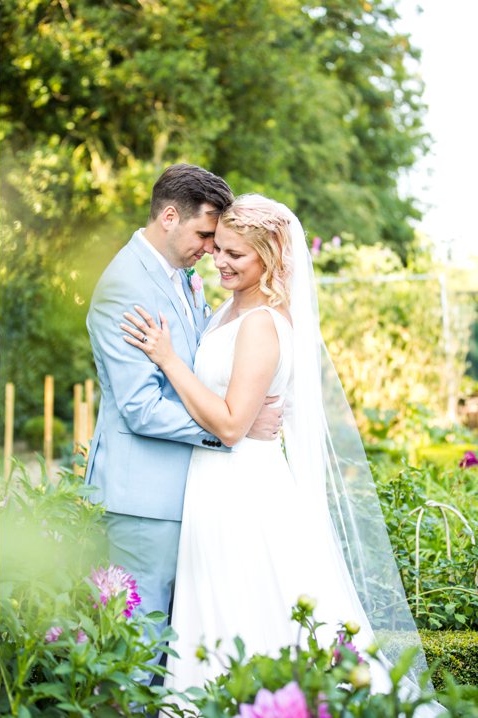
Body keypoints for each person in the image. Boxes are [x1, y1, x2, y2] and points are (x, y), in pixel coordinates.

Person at [120, 194, 435, 703]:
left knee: (250, 605)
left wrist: (167, 358)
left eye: (235, 255)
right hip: (214, 483)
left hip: (243, 487)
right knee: (217, 609)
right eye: (217, 247)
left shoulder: (263, 322)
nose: (219, 260)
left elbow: (228, 425)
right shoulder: (227, 307)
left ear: (269, 257)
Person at [84, 164, 282, 676]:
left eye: (220, 243)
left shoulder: (182, 277)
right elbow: (140, 406)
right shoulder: (124, 286)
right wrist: (229, 429)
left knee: (176, 646)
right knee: (139, 646)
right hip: (144, 496)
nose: (211, 252)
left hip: (191, 493)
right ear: (169, 216)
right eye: (204, 236)